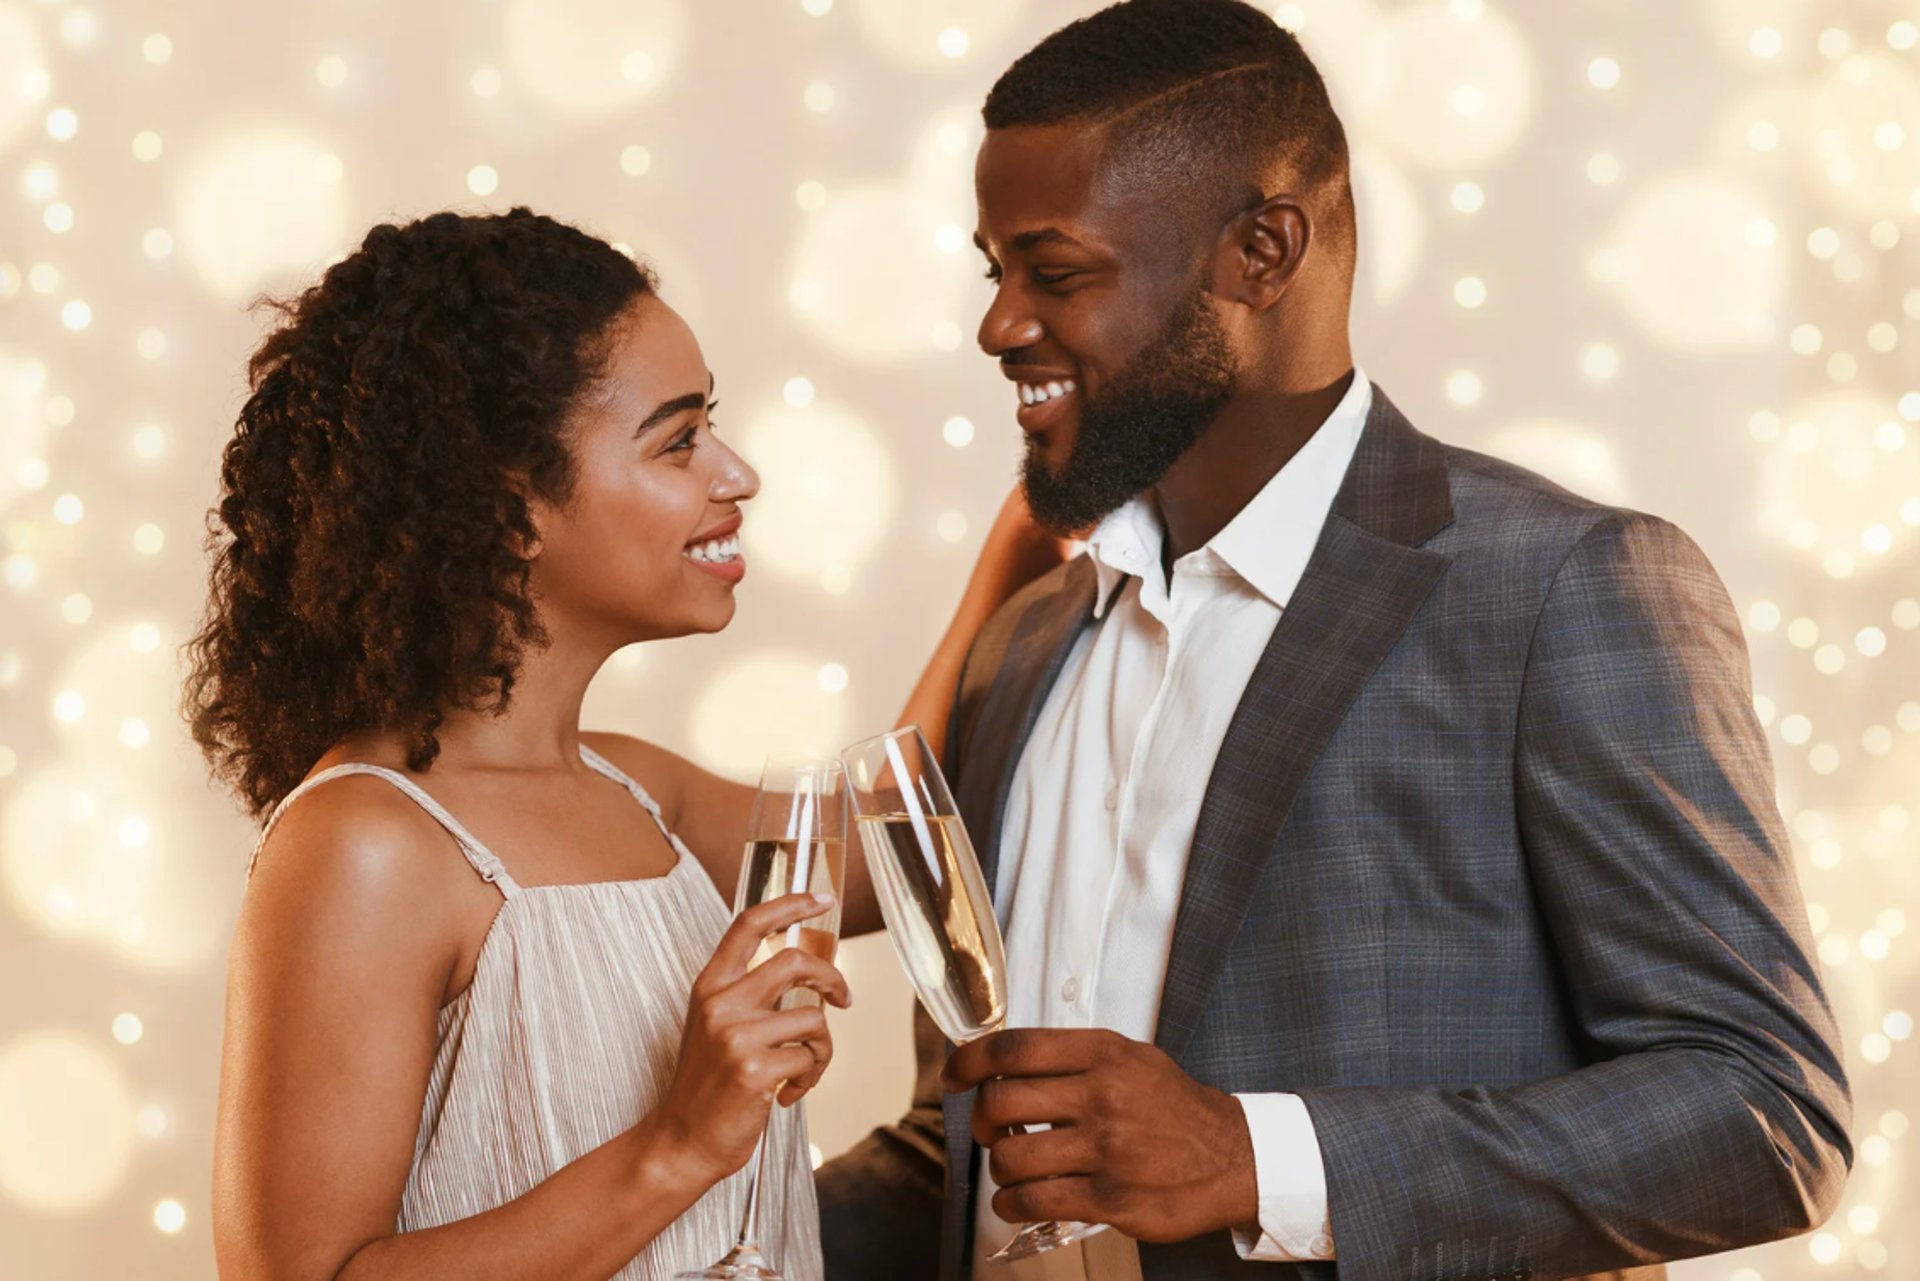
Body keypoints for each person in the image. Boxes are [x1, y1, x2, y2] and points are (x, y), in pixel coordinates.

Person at [817, 4, 1852, 1280]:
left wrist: (1257, 1158)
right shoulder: (1025, 646)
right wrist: (669, 1214)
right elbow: (968, 1152)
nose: (999, 326)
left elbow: (1766, 1111)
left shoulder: (1560, 591)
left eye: (1059, 273)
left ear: (1262, 253)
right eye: (995, 273)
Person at [188, 208, 1067, 1280]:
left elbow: (893, 834)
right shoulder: (365, 847)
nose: (736, 474)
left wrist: (1024, 538)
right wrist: (678, 1144)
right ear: (510, 509)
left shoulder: (637, 790)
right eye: (678, 440)